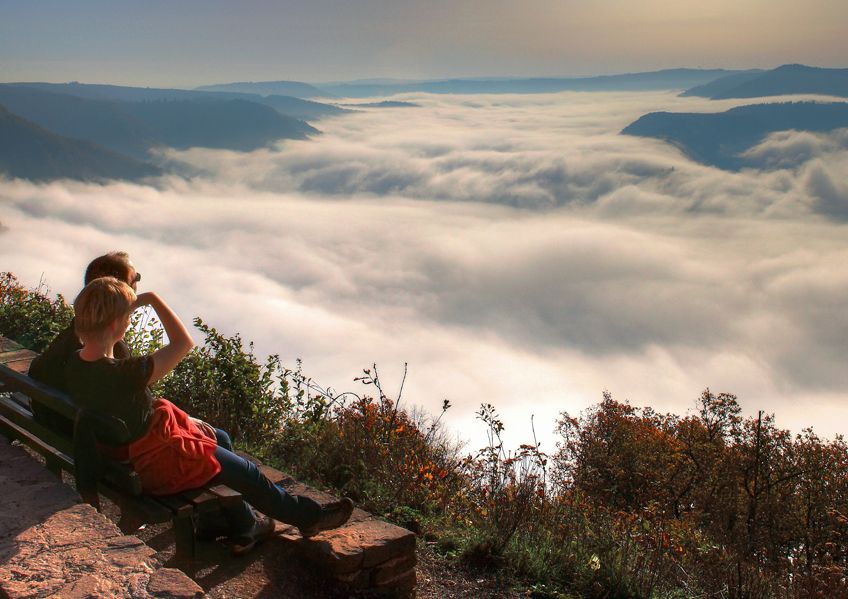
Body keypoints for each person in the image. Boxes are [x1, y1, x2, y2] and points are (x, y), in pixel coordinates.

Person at [64, 276, 353, 554]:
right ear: (116, 323)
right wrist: (152, 299)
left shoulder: (75, 364)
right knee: (248, 471)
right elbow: (183, 343)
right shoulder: (123, 374)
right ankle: (309, 517)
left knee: (221, 438)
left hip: (127, 459)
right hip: (155, 464)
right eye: (127, 316)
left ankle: (226, 522)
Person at [28, 251, 141, 435]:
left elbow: (37, 370)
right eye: (135, 278)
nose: (137, 284)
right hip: (71, 432)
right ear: (119, 287)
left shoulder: (75, 333)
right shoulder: (109, 349)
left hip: (46, 417)